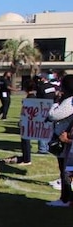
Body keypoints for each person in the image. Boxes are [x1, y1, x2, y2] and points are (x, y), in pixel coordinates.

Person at [46, 74, 73, 207]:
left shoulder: (70, 101)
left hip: (66, 140)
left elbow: (53, 115)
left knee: (66, 170)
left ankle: (66, 199)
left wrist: (56, 102)